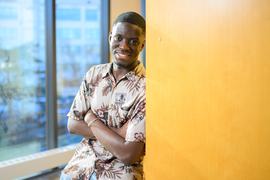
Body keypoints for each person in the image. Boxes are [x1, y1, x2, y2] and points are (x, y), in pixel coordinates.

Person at [60, 11, 146, 180]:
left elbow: (129, 154)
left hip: (118, 173)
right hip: (80, 166)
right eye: (118, 38)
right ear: (110, 38)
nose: (124, 46)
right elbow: (72, 125)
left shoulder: (147, 88)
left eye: (133, 41)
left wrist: (91, 119)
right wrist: (118, 134)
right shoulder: (94, 74)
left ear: (142, 45)